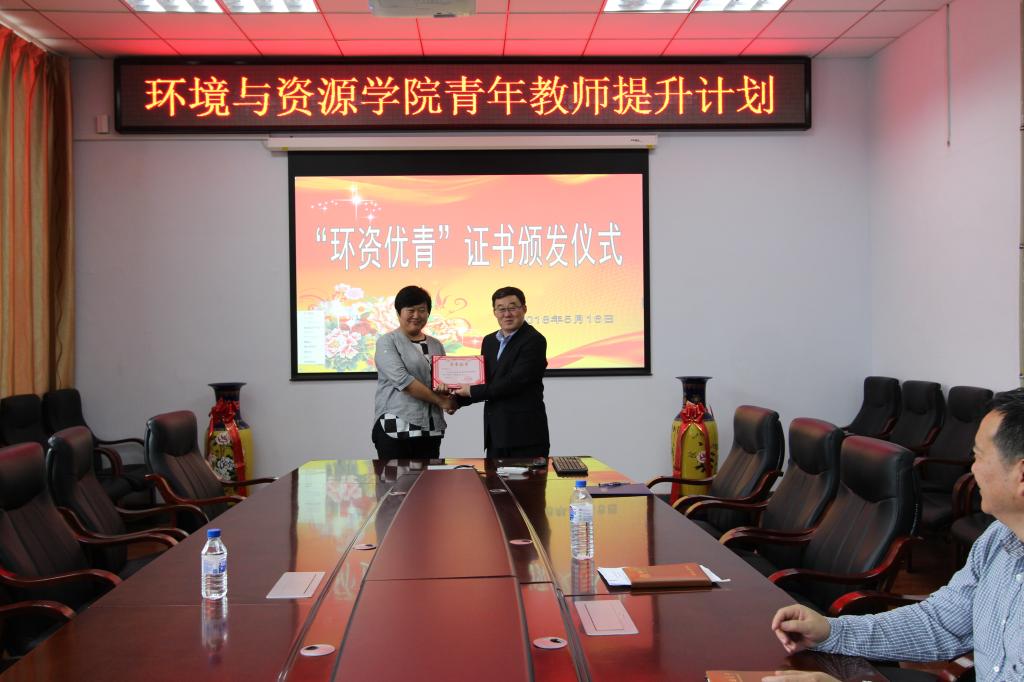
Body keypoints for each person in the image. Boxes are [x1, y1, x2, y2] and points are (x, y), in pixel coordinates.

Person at [765, 389, 1024, 682]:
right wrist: (830, 631)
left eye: (978, 456)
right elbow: (940, 623)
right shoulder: (997, 538)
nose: (972, 469)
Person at [452, 286, 550, 459]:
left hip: (525, 435)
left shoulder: (534, 340)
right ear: (494, 312)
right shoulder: (489, 341)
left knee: (528, 479)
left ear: (524, 309)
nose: (507, 314)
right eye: (501, 309)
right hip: (496, 434)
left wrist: (470, 391)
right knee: (494, 477)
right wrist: (455, 400)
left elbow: (515, 382)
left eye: (512, 308)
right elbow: (485, 381)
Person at [372, 285, 458, 459]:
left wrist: (449, 394)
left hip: (431, 428)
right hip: (396, 426)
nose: (416, 315)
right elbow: (403, 381)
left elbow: (443, 380)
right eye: (410, 310)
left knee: (429, 477)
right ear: (399, 313)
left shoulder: (436, 344)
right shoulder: (387, 342)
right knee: (396, 477)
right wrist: (441, 401)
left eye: (422, 310)